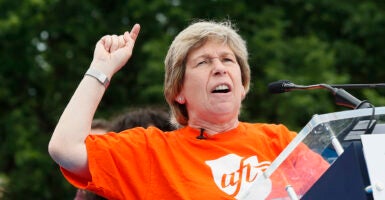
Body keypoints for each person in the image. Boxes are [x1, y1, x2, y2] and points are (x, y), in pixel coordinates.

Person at [48, 20, 329, 199]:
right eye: (203, 62)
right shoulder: (151, 153)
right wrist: (101, 68)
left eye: (228, 60)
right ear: (177, 92)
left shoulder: (279, 141)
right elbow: (65, 149)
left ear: (243, 84)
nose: (219, 67)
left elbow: (342, 187)